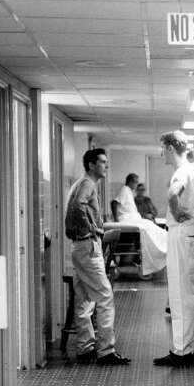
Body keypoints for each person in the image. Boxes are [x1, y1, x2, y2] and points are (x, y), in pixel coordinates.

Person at [63, 148, 130, 365]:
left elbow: (77, 207)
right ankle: (106, 350)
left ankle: (85, 347)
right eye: (102, 162)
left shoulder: (80, 183)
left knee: (83, 298)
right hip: (87, 247)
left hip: (79, 247)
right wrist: (91, 229)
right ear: (91, 165)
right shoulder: (88, 184)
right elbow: (78, 206)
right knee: (105, 296)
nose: (106, 165)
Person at [154, 131, 194, 367]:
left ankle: (181, 351)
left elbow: (171, 195)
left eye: (162, 149)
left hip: (182, 231)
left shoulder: (181, 172)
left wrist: (178, 212)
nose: (161, 154)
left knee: (180, 293)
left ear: (170, 148)